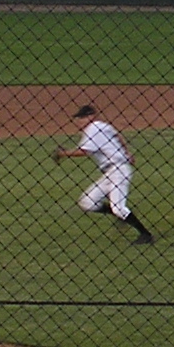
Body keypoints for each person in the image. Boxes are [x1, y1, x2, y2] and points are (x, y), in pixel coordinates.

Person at [54, 104, 156, 244]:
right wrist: (127, 152)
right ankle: (120, 215)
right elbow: (118, 136)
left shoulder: (93, 129)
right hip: (112, 171)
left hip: (118, 171)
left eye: (81, 118)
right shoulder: (102, 126)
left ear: (91, 116)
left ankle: (146, 235)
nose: (78, 121)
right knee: (88, 202)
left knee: (118, 207)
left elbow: (84, 151)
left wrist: (63, 153)